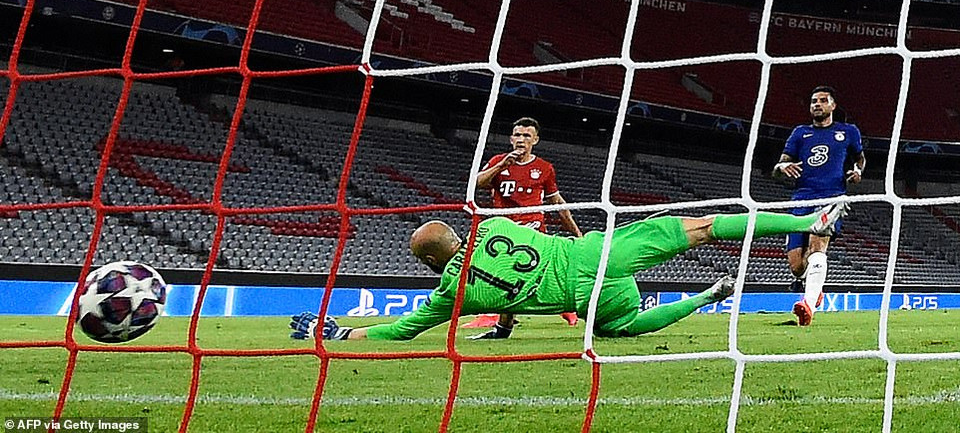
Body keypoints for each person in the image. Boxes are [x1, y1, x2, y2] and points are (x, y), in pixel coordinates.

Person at [290, 202, 847, 342]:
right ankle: (806, 218)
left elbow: (403, 328)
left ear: (430, 263)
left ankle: (709, 296)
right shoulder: (494, 224)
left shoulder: (450, 292)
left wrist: (337, 329)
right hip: (595, 252)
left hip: (584, 291)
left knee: (620, 328)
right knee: (698, 227)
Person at [468, 116, 582, 339]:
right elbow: (476, 184)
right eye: (518, 135)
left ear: (535, 140)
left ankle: (570, 307)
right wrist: (503, 165)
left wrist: (576, 232)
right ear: (511, 139)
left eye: (526, 136)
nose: (521, 140)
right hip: (504, 232)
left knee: (542, 274)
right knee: (504, 278)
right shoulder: (498, 161)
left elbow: (557, 202)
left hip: (532, 231)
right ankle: (503, 327)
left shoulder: (544, 168)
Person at [772, 85, 865, 327]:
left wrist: (857, 170)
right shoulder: (800, 133)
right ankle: (816, 286)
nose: (817, 104)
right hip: (801, 200)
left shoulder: (848, 132)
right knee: (796, 266)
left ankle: (808, 305)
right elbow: (778, 166)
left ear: (833, 106)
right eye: (814, 101)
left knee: (817, 244)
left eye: (823, 100)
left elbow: (860, 158)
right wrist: (782, 168)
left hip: (831, 198)